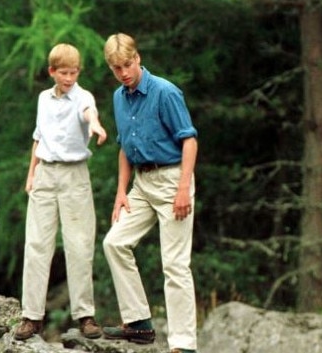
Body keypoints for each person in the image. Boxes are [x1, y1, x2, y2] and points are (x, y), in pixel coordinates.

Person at [100, 33, 199, 353]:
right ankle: (139, 323)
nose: (124, 72)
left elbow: (189, 140)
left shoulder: (165, 92)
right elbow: (124, 147)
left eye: (127, 64)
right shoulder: (119, 97)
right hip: (141, 184)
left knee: (174, 264)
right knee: (114, 243)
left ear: (138, 58)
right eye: (116, 68)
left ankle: (184, 345)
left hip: (173, 180)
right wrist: (121, 191)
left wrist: (184, 188)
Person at [14, 43, 108, 341]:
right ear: (52, 72)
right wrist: (31, 174)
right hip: (45, 173)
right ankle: (32, 316)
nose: (69, 78)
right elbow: (38, 138)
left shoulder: (83, 96)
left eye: (74, 72)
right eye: (64, 73)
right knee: (36, 245)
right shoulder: (44, 98)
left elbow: (88, 112)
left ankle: (85, 315)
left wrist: (95, 125)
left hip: (73, 174)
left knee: (79, 245)